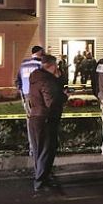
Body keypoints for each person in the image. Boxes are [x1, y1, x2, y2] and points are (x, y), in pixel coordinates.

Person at [27, 54, 68, 191]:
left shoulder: (35, 77)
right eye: (56, 65)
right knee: (47, 150)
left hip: (35, 117)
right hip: (46, 119)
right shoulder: (47, 80)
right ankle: (41, 181)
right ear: (52, 65)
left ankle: (41, 177)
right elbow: (51, 101)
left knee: (39, 151)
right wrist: (64, 96)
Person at [15, 45, 44, 155]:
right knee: (41, 121)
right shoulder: (40, 64)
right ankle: (40, 148)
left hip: (27, 96)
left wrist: (22, 93)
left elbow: (17, 81)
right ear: (40, 52)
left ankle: (33, 149)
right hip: (39, 96)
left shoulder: (23, 64)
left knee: (30, 122)